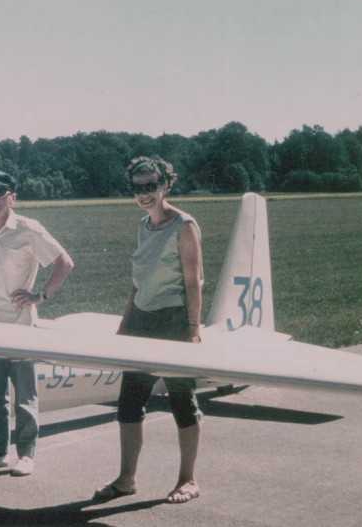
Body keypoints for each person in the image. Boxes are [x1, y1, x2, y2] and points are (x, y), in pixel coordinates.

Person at [93, 156, 204, 504]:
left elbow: (193, 282)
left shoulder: (184, 225)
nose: (144, 193)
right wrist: (125, 324)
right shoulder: (143, 226)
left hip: (173, 321)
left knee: (182, 401)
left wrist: (193, 331)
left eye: (151, 186)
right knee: (129, 404)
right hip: (142, 320)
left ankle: (188, 479)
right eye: (138, 187)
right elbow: (137, 282)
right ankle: (127, 479)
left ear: (166, 185)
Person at [0, 171, 74, 477]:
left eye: (0, 193)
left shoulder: (28, 229)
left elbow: (65, 263)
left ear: (13, 197)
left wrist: (41, 295)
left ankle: (26, 455)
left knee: (25, 397)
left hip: (20, 328)